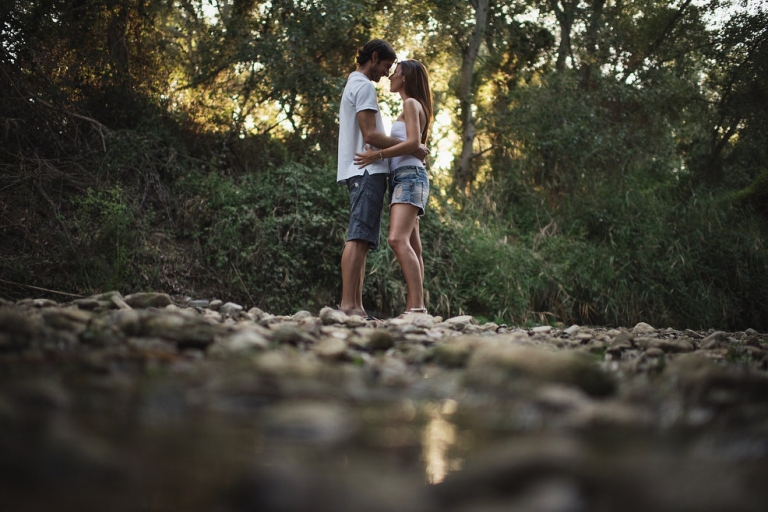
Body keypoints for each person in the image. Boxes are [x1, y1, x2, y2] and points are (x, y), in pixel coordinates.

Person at [337, 40, 428, 319]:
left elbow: (402, 140)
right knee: (361, 237)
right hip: (367, 170)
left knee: (368, 239)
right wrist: (411, 148)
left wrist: (406, 149)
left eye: (394, 70)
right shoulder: (364, 86)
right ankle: (350, 306)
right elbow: (371, 135)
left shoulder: (358, 85)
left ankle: (362, 306)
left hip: (389, 173)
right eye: (387, 66)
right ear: (374, 57)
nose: (388, 73)